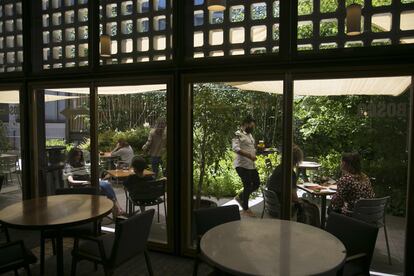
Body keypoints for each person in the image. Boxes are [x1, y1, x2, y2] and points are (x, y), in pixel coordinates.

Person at [64, 148, 125, 215]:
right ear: (72, 156)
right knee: (105, 187)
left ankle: (117, 209)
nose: (79, 157)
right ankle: (117, 209)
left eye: (80, 155)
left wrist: (95, 179)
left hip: (89, 183)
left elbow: (86, 175)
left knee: (107, 184)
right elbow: (71, 182)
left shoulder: (80, 164)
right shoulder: (68, 166)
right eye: (77, 155)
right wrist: (86, 182)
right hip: (81, 186)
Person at [232, 116, 260, 217]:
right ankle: (246, 209)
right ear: (245, 124)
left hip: (251, 165)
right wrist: (249, 155)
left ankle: (240, 197)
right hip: (242, 165)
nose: (252, 128)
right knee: (247, 185)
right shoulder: (237, 134)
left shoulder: (250, 135)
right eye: (251, 126)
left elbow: (250, 147)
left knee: (257, 183)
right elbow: (235, 149)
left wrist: (257, 150)